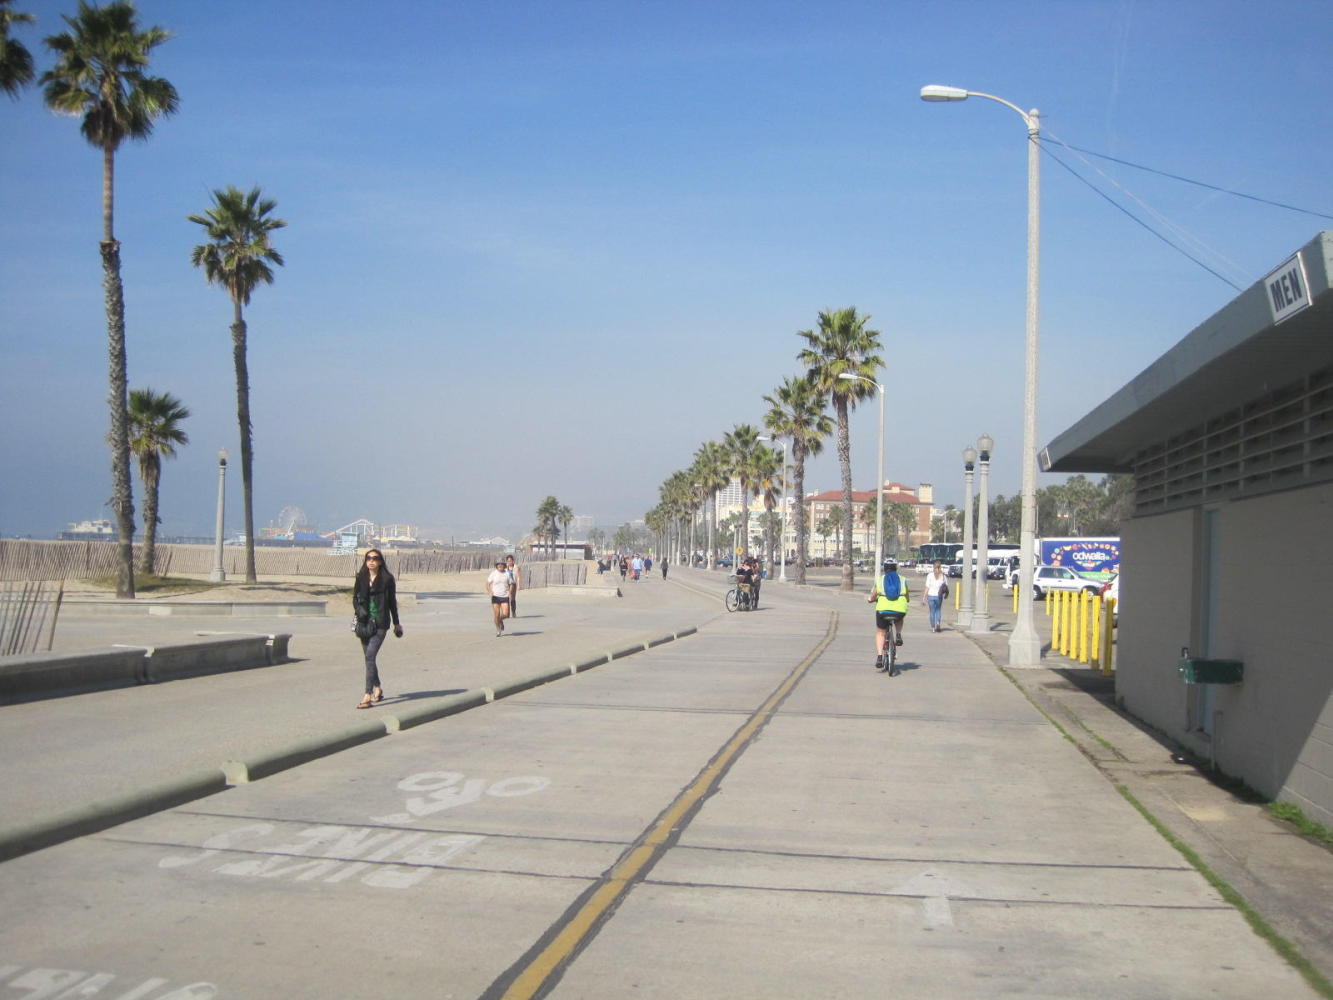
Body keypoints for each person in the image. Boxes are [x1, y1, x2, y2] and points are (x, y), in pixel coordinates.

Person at [353, 549, 402, 709]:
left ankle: (367, 695)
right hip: (364, 623)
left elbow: (392, 602)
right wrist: (359, 610)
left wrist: (396, 623)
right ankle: (378, 688)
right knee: (369, 658)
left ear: (380, 561)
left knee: (370, 656)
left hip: (381, 622)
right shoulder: (361, 577)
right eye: (368, 558)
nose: (371, 561)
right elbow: (355, 597)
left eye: (375, 558)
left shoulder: (387, 579)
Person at [867, 558, 909, 673]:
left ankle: (880, 657)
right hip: (899, 610)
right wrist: (905, 600)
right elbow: (907, 596)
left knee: (880, 632)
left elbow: (873, 595)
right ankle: (898, 634)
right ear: (896, 568)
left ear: (884, 568)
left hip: (883, 610)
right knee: (900, 617)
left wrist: (870, 599)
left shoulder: (880, 580)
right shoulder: (903, 579)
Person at [486, 560, 511, 636]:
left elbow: (511, 584)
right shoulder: (493, 573)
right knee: (496, 615)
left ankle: (500, 620)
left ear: (504, 565)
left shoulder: (507, 573)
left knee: (506, 614)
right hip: (495, 596)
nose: (500, 565)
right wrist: (490, 591)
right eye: (498, 564)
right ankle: (498, 629)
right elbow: (487, 583)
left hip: (505, 596)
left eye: (501, 564)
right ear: (496, 566)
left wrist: (510, 592)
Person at [923, 561, 950, 633]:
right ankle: (938, 623)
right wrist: (944, 594)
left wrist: (924, 596)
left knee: (932, 612)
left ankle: (933, 628)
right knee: (938, 610)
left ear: (933, 567)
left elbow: (927, 587)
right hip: (939, 596)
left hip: (931, 596)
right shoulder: (943, 576)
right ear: (940, 567)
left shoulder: (930, 575)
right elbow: (946, 586)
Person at [505, 554, 522, 619]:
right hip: (507, 584)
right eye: (508, 561)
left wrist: (519, 585)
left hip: (513, 583)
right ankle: (507, 612)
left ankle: (513, 611)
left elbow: (518, 577)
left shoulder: (516, 567)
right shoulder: (505, 567)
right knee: (507, 597)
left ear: (513, 561)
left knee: (512, 598)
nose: (509, 562)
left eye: (510, 561)